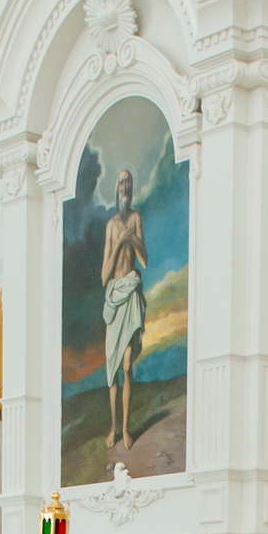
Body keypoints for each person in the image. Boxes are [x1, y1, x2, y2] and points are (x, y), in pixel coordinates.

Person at [101, 166, 148, 455]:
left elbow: (144, 260)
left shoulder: (136, 219)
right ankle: (114, 426)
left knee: (128, 365)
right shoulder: (110, 226)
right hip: (114, 295)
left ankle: (127, 428)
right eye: (121, 183)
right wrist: (119, 242)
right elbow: (104, 276)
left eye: (128, 183)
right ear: (116, 188)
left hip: (131, 292)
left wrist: (133, 240)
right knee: (112, 370)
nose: (124, 188)